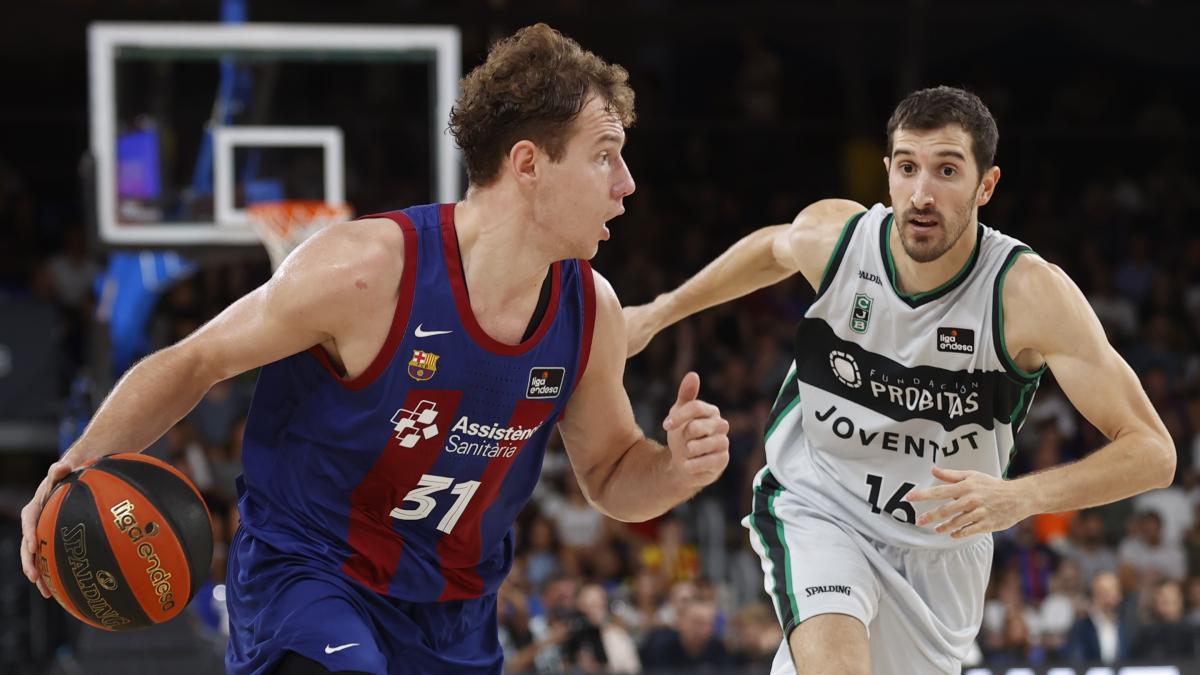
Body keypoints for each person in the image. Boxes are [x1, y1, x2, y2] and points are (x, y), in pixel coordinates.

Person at [20, 24, 731, 675]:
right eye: (604, 157)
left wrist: (675, 468)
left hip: (454, 611)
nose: (626, 184)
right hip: (311, 571)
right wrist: (76, 462)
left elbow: (608, 472)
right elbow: (195, 360)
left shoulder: (591, 310)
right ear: (527, 163)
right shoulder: (366, 269)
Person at [623, 86, 1175, 674]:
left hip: (943, 550)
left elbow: (1152, 452)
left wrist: (1019, 497)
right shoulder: (840, 240)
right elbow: (772, 249)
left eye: (946, 171)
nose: (922, 193)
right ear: (886, 173)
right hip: (821, 503)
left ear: (986, 185)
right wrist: (659, 312)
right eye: (907, 167)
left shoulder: (1025, 293)